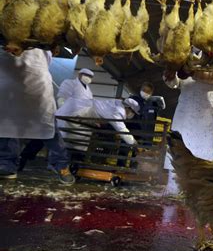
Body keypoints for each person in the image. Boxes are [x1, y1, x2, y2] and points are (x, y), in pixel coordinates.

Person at [0, 48, 75, 184]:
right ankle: (6, 165)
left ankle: (61, 165)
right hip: (6, 79)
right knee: (5, 125)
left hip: (35, 81)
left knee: (48, 126)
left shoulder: (46, 37)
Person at [163, 63, 213, 194]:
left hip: (206, 116)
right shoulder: (186, 60)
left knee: (204, 157)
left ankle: (199, 192)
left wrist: (187, 70)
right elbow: (176, 83)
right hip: (185, 113)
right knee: (177, 150)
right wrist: (170, 76)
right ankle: (173, 188)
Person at [17, 68, 96, 170]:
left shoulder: (89, 91)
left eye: (90, 77)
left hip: (78, 119)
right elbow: (62, 98)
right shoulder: (69, 83)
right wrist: (64, 111)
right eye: (86, 75)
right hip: (65, 116)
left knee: (69, 141)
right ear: (79, 74)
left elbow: (89, 105)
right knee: (47, 137)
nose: (88, 78)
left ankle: (68, 165)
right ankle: (23, 158)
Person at [56, 97, 140, 151]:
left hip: (83, 108)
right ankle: (62, 161)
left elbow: (103, 111)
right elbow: (122, 129)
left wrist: (96, 121)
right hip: (80, 111)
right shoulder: (119, 112)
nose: (132, 114)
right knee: (70, 136)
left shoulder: (118, 103)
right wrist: (133, 142)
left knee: (77, 137)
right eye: (132, 112)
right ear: (128, 108)